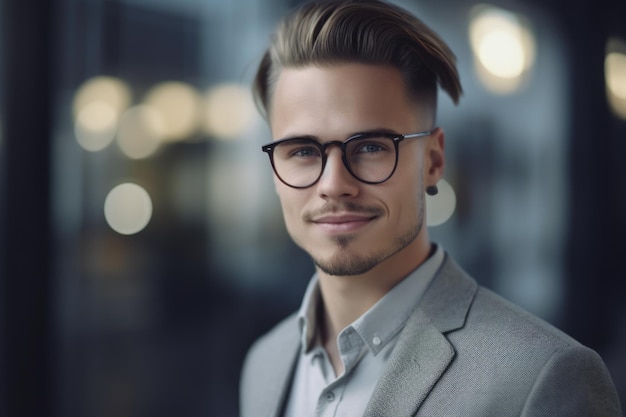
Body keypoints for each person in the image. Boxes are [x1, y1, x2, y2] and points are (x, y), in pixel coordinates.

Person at [239, 1, 623, 416]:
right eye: (303, 151)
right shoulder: (265, 364)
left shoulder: (543, 377)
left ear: (433, 161)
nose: (334, 185)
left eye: (370, 147)